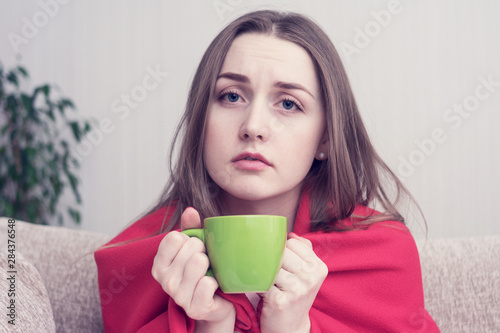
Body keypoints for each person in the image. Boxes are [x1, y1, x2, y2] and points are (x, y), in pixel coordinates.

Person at [95, 10, 440, 333]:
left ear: (326, 138)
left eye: (288, 103)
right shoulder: (137, 263)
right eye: (231, 97)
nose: (253, 126)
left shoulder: (383, 255)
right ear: (201, 121)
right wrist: (211, 324)